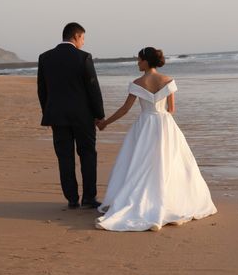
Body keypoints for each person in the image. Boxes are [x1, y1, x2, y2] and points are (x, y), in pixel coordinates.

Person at [96, 47, 217, 231]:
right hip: (165, 125)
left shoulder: (137, 83)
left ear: (146, 61)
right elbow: (171, 109)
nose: (137, 63)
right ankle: (169, 202)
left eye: (139, 60)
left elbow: (124, 109)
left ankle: (142, 202)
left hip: (144, 125)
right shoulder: (168, 81)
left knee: (140, 164)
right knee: (168, 162)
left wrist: (105, 123)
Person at [37, 22, 105, 209]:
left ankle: (72, 198)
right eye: (83, 38)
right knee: (88, 155)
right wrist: (99, 115)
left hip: (57, 116)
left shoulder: (45, 58)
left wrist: (48, 114)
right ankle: (89, 197)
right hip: (83, 116)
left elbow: (42, 90)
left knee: (65, 157)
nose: (83, 42)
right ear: (76, 36)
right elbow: (93, 88)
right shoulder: (83, 57)